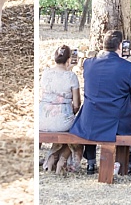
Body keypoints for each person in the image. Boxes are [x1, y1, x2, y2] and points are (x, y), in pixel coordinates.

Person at [69, 30, 131, 175]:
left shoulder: (88, 64)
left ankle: (91, 161)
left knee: (93, 115)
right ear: (120, 46)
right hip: (117, 121)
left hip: (90, 120)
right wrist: (130, 109)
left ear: (103, 45)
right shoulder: (129, 68)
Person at [40, 45, 82, 173]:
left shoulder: (46, 73)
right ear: (69, 59)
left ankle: (52, 158)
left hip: (42, 118)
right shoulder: (71, 77)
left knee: (65, 127)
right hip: (62, 120)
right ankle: (63, 161)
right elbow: (76, 104)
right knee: (73, 128)